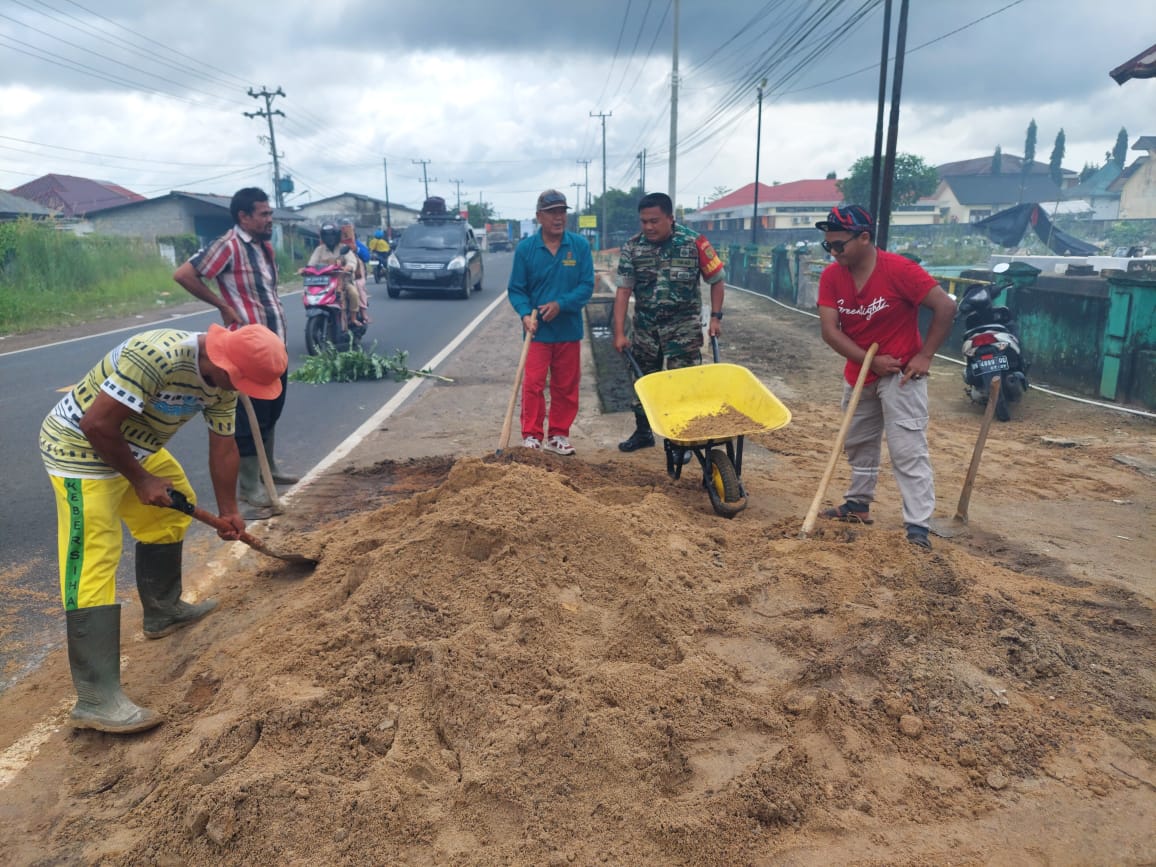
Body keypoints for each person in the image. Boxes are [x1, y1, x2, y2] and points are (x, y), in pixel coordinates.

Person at [39, 324, 288, 733]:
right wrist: (141, 480)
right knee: (95, 554)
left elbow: (223, 445)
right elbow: (96, 425)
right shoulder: (156, 355)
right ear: (221, 360)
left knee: (171, 510)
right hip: (79, 449)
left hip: (133, 448)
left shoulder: (222, 384)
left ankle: (163, 610)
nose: (238, 389)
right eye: (239, 381)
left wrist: (229, 511)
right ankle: (96, 698)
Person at [815, 204, 958, 550]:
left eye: (838, 245)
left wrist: (925, 356)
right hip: (860, 371)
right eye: (827, 246)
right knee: (858, 442)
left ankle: (918, 527)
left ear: (864, 238)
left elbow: (946, 306)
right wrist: (869, 361)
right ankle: (858, 505)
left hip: (902, 374)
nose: (833, 253)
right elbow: (830, 332)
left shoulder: (900, 271)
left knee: (907, 449)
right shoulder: (832, 276)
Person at [173, 187, 298, 509]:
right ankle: (248, 486)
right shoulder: (229, 246)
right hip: (247, 353)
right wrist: (222, 306)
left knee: (271, 411)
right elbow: (185, 274)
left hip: (273, 348)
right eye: (264, 214)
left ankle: (269, 470)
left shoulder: (264, 247)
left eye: (270, 213)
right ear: (244, 216)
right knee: (249, 420)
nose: (270, 219)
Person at [613, 191, 726, 456]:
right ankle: (643, 432)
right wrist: (619, 332)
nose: (649, 227)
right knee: (643, 382)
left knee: (682, 386)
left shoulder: (694, 242)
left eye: (654, 221)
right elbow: (623, 291)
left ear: (670, 218)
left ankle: (681, 440)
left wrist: (715, 318)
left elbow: (717, 279)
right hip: (645, 329)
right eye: (644, 221)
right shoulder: (633, 247)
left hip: (683, 330)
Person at [507, 189, 595, 455]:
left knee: (566, 385)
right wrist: (524, 313)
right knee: (532, 384)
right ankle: (532, 435)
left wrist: (561, 304)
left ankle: (558, 434)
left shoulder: (579, 246)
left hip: (568, 330)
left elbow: (587, 285)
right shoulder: (526, 249)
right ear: (539, 217)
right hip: (537, 332)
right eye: (552, 212)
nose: (558, 218)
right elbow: (517, 289)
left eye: (562, 212)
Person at [304, 222, 364, 329]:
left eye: (332, 235)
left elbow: (352, 261)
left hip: (343, 281)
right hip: (324, 283)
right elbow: (311, 264)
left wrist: (348, 267)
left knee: (353, 293)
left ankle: (354, 318)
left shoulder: (344, 248)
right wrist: (305, 270)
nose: (329, 238)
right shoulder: (319, 250)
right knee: (306, 295)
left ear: (337, 235)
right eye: (326, 235)